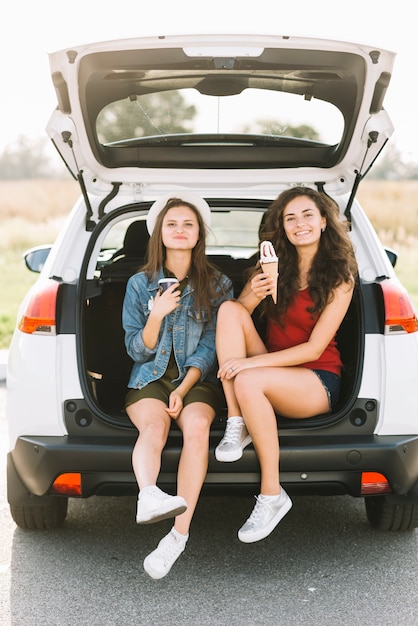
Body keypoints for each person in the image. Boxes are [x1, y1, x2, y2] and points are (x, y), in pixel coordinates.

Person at [215, 186, 357, 544]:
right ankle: (237, 420)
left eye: (308, 215)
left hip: (316, 378)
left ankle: (272, 495)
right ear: (282, 227)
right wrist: (255, 291)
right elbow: (237, 316)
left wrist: (250, 365)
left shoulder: (341, 277)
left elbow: (313, 349)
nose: (300, 224)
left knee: (248, 381)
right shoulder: (273, 264)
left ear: (324, 221)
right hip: (273, 370)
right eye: (290, 218)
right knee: (229, 309)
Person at [122, 193, 233, 579]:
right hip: (149, 376)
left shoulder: (218, 284)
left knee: (198, 428)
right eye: (172, 224)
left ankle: (177, 537)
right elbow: (136, 348)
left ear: (199, 232)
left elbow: (210, 347)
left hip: (193, 379)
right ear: (160, 233)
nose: (180, 230)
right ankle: (148, 495)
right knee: (156, 426)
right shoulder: (139, 284)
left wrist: (183, 389)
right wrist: (156, 315)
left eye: (188, 224)